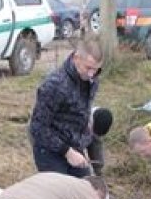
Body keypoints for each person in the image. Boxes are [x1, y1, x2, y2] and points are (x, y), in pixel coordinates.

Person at [28, 36, 104, 177]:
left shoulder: (92, 80)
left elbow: (82, 113)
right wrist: (67, 152)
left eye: (96, 70)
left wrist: (83, 144)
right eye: (88, 68)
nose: (91, 74)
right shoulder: (54, 85)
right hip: (50, 150)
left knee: (85, 191)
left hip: (75, 146)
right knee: (60, 193)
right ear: (76, 58)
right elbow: (37, 128)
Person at [86, 106, 113, 175]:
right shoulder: (79, 116)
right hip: (74, 136)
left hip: (92, 128)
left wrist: (98, 166)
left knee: (98, 161)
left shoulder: (102, 119)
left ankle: (98, 174)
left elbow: (97, 142)